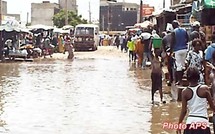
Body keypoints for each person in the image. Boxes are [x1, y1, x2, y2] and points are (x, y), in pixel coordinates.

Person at [177, 66, 215, 134]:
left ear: (188, 78)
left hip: (190, 123)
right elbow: (212, 107)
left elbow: (184, 111)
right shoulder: (205, 89)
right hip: (203, 123)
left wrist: (179, 124)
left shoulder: (185, 92)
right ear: (198, 76)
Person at [170, 20, 189, 85]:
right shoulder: (184, 30)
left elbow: (172, 42)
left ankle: (179, 80)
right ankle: (183, 79)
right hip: (184, 49)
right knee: (183, 65)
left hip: (177, 50)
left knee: (178, 65)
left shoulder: (174, 32)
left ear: (173, 26)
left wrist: (171, 51)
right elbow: (187, 39)